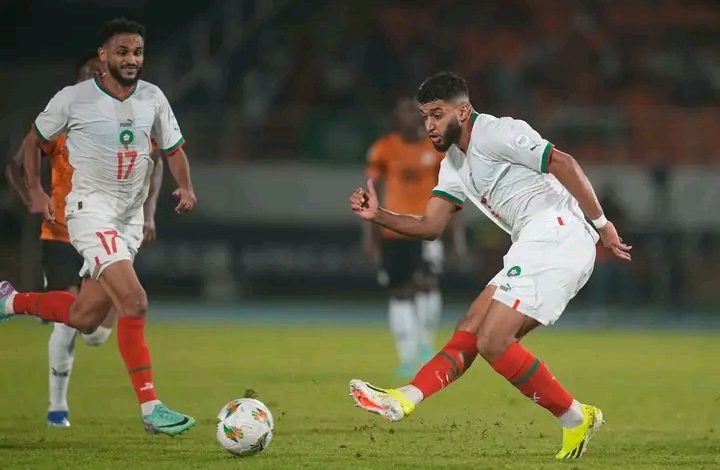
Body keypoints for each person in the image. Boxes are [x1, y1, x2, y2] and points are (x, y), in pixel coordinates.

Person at [347, 72, 631, 460]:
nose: (429, 125)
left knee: (494, 340)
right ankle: (406, 398)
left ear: (463, 111)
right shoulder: (452, 164)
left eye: (437, 114)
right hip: (533, 242)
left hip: (557, 234)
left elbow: (562, 162)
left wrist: (602, 224)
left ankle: (575, 417)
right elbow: (430, 226)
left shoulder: (498, 133)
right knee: (472, 327)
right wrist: (379, 215)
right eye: (425, 116)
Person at [0, 17, 197, 436]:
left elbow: (173, 149)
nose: (131, 59)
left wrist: (186, 186)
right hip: (89, 212)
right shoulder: (73, 99)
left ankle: (11, 302)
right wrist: (35, 191)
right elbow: (32, 143)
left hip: (127, 220)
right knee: (135, 301)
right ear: (104, 55)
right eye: (122, 51)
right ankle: (151, 409)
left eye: (137, 52)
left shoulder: (153, 97)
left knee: (85, 318)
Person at [363, 96, 466, 377]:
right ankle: (406, 356)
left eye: (415, 112)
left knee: (427, 283)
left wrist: (456, 239)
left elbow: (452, 194)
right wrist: (369, 237)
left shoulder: (437, 150)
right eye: (405, 112)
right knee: (400, 290)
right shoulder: (384, 148)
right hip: (393, 230)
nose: (410, 117)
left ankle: (425, 345)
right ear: (397, 117)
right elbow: (370, 193)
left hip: (427, 229)